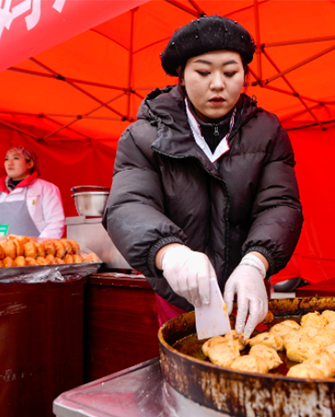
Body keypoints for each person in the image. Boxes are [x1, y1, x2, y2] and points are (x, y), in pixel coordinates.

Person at [104, 15, 304, 338]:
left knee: (252, 369)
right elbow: (128, 204)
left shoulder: (268, 132)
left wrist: (256, 262)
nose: (217, 84)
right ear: (181, 76)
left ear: (244, 74)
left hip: (246, 293)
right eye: (203, 72)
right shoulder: (143, 136)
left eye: (230, 72)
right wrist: (169, 253)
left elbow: (280, 204)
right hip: (179, 295)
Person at [0, 146, 66, 238]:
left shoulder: (46, 189)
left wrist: (39, 247)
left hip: (35, 250)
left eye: (16, 158)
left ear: (30, 164)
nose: (10, 163)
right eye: (7, 159)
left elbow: (55, 223)